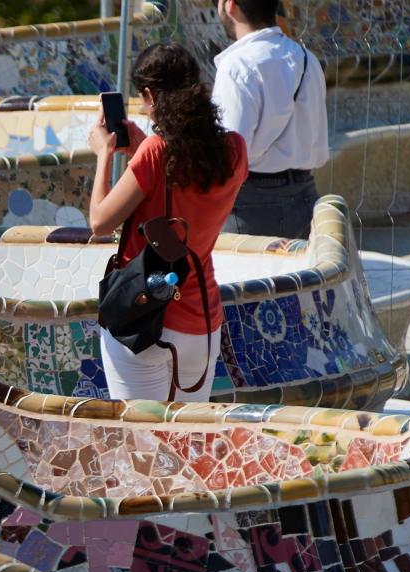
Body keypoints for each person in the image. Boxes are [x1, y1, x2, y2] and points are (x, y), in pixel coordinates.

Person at [87, 42, 248, 403]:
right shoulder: (235, 149)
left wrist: (103, 154)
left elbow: (99, 221)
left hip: (147, 318)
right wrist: (142, 150)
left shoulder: (156, 151)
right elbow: (189, 179)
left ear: (150, 95)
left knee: (141, 437)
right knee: (186, 436)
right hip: (202, 324)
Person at [210, 0, 328, 239]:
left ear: (230, 5)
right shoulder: (307, 59)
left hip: (250, 208)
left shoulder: (237, 65)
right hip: (306, 201)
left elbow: (230, 155)